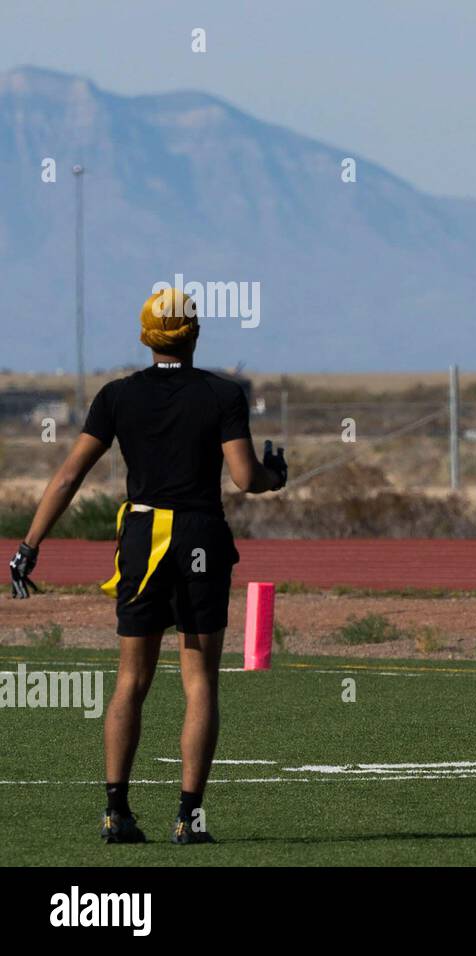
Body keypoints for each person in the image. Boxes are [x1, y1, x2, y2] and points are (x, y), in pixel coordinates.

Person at [8, 288, 288, 844]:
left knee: (130, 681)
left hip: (141, 535)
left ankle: (116, 814)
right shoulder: (222, 394)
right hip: (199, 537)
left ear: (144, 336)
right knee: (199, 681)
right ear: (196, 333)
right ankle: (188, 819)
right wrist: (274, 475)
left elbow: (68, 476)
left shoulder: (116, 396)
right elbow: (243, 478)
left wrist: (28, 546)